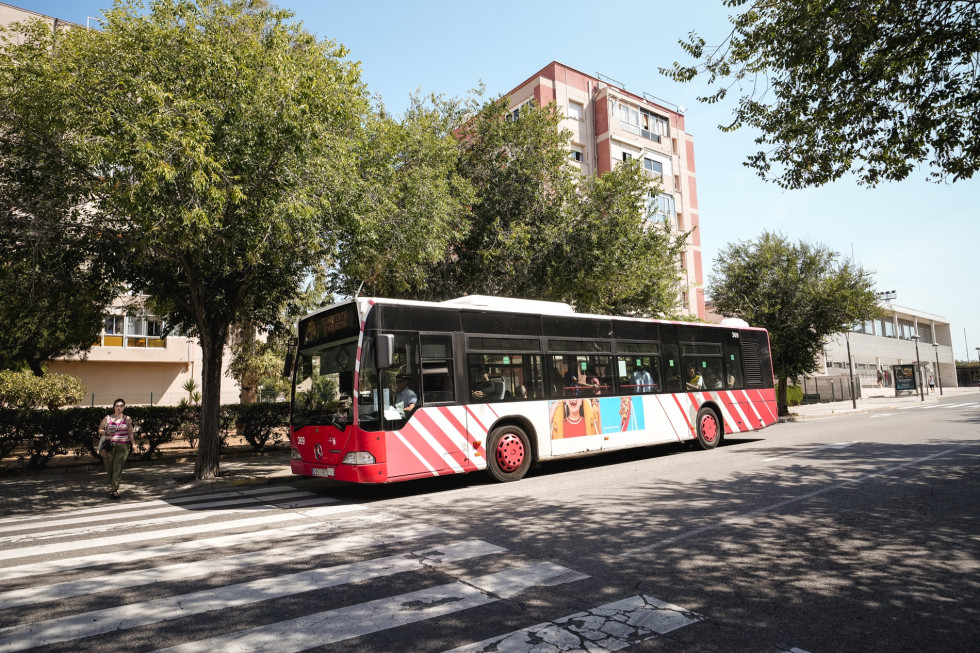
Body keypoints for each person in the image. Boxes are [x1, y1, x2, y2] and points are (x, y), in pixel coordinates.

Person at [97, 398, 135, 499]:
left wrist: (133, 444)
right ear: (114, 407)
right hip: (109, 446)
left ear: (124, 407)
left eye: (121, 406)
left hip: (123, 446)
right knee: (110, 469)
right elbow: (100, 430)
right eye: (117, 406)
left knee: (117, 468)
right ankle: (113, 487)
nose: (119, 408)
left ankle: (114, 490)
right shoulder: (107, 418)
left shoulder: (127, 419)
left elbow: (130, 432)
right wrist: (106, 432)